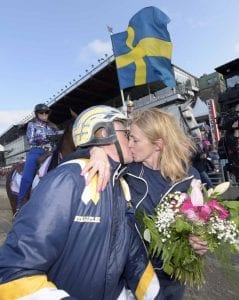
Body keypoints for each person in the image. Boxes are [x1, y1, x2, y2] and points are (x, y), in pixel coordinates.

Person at [0, 105, 160, 299]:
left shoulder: (121, 185)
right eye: (125, 133)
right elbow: (13, 272)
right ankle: (20, 202)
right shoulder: (66, 179)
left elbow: (132, 254)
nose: (130, 140)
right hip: (36, 150)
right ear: (103, 133)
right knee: (29, 170)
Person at [78, 107, 208, 300]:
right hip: (134, 275)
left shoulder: (190, 178)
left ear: (158, 144)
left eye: (135, 140)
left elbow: (199, 224)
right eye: (129, 137)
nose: (129, 144)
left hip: (173, 275)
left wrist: (199, 242)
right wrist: (96, 151)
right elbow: (77, 158)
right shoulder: (126, 170)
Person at [16, 103, 58, 212]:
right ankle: (19, 206)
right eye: (41, 112)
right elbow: (30, 140)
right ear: (37, 114)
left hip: (51, 151)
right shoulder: (32, 124)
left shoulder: (52, 126)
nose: (44, 114)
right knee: (27, 177)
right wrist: (45, 137)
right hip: (36, 151)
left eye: (46, 112)